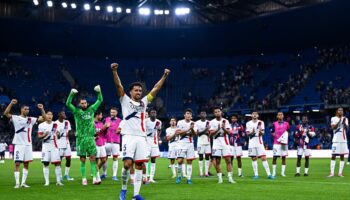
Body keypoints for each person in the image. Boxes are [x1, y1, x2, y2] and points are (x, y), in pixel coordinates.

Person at [111, 63, 170, 200]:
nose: (138, 92)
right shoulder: (124, 100)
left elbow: (156, 89)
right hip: (129, 136)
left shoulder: (144, 102)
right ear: (130, 92)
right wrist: (114, 71)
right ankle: (123, 190)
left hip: (141, 138)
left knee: (139, 165)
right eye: (136, 90)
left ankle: (136, 194)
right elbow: (119, 86)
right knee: (127, 164)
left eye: (140, 90)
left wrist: (164, 76)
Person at [4, 99, 46, 188]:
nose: (27, 110)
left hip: (28, 144)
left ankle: (23, 183)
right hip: (19, 144)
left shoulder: (31, 119)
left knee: (26, 164)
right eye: (26, 109)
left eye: (28, 109)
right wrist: (11, 103)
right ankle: (17, 183)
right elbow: (6, 114)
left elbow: (44, 119)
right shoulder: (16, 118)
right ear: (21, 110)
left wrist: (42, 109)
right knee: (17, 164)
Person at [66, 85, 103, 185]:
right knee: (82, 160)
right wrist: (72, 94)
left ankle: (95, 178)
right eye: (82, 103)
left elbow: (100, 100)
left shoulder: (91, 110)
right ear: (79, 104)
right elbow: (68, 103)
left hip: (91, 138)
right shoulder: (76, 111)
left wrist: (98, 91)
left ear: (87, 103)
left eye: (85, 103)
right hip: (81, 139)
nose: (84, 104)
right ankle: (83, 179)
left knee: (93, 158)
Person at [209, 107, 235, 184]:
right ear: (214, 113)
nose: (217, 113)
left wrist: (223, 128)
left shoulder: (225, 121)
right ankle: (220, 178)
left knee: (228, 160)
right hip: (216, 143)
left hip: (225, 142)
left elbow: (229, 132)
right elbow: (211, 134)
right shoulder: (212, 122)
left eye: (218, 111)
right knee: (217, 161)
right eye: (216, 112)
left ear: (221, 112)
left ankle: (230, 178)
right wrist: (218, 128)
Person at [38, 111, 64, 186]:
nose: (49, 116)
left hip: (54, 146)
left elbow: (58, 137)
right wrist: (44, 135)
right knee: (45, 164)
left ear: (52, 116)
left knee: (57, 164)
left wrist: (58, 134)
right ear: (45, 115)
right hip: (45, 146)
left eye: (51, 114)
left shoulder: (56, 124)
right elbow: (39, 137)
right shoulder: (41, 125)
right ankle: (47, 182)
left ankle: (58, 181)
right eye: (48, 114)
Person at [246, 111, 274, 179]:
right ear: (251, 115)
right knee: (254, 158)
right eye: (253, 114)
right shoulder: (248, 123)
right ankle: (256, 175)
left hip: (259, 141)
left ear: (258, 115)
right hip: (252, 142)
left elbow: (263, 133)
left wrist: (261, 131)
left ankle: (269, 174)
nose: (254, 115)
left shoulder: (261, 122)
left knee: (263, 158)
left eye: (256, 114)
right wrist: (252, 132)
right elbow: (248, 134)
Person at [102, 107, 122, 181]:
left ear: (116, 113)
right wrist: (105, 127)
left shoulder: (120, 121)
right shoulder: (106, 119)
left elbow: (123, 129)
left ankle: (114, 175)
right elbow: (101, 129)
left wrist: (120, 130)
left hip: (116, 142)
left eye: (113, 112)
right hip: (106, 141)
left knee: (115, 158)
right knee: (105, 158)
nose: (112, 113)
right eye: (111, 112)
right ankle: (104, 173)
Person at [328, 107, 349, 177]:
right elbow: (333, 128)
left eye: (342, 110)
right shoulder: (333, 118)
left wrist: (344, 123)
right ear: (337, 111)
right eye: (339, 110)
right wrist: (340, 121)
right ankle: (332, 173)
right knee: (333, 155)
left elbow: (347, 129)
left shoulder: (345, 119)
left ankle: (340, 173)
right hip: (336, 140)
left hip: (343, 140)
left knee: (342, 156)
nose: (341, 111)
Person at [145, 108, 162, 183]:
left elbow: (159, 130)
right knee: (145, 159)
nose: (153, 113)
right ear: (149, 114)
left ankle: (151, 177)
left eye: (154, 112)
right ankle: (145, 176)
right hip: (146, 142)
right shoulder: (145, 121)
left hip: (154, 142)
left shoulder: (158, 122)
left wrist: (158, 138)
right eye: (152, 112)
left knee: (153, 159)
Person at [56, 111, 74, 181]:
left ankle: (66, 175)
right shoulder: (55, 123)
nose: (65, 114)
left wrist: (73, 133)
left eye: (64, 113)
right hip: (59, 144)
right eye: (63, 113)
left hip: (67, 143)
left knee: (69, 159)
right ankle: (60, 176)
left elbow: (69, 132)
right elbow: (57, 135)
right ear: (59, 115)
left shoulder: (67, 122)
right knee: (59, 160)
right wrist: (58, 134)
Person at [271, 112, 290, 177]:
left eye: (281, 114)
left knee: (284, 157)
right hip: (276, 143)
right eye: (279, 115)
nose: (280, 116)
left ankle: (282, 173)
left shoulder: (287, 124)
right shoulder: (274, 124)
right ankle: (273, 172)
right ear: (277, 116)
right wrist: (274, 135)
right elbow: (272, 132)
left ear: (283, 116)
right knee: (274, 157)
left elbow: (288, 132)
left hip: (284, 143)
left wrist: (285, 138)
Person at [195, 111, 211, 177]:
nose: (203, 115)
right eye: (202, 113)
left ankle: (206, 173)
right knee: (201, 157)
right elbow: (197, 133)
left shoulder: (209, 122)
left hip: (207, 142)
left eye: (204, 113)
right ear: (200, 115)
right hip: (200, 142)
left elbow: (210, 133)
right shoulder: (197, 123)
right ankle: (201, 173)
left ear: (206, 115)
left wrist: (205, 132)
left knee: (207, 157)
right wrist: (205, 130)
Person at [94, 111, 109, 184]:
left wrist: (106, 128)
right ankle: (97, 177)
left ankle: (95, 172)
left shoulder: (101, 123)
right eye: (101, 115)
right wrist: (104, 127)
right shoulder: (91, 123)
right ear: (97, 115)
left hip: (102, 143)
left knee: (103, 160)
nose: (102, 116)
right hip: (95, 144)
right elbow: (94, 133)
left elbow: (103, 133)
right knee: (96, 161)